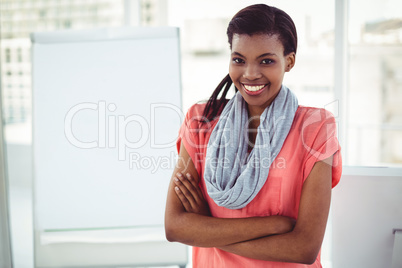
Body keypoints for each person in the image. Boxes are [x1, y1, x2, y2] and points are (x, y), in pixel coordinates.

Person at [165, 4, 342, 268]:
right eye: (239, 60)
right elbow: (175, 227)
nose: (249, 74)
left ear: (289, 61)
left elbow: (304, 247)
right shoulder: (199, 121)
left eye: (266, 60)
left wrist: (207, 228)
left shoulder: (315, 127)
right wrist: (275, 225)